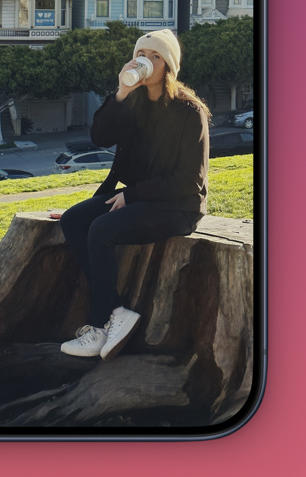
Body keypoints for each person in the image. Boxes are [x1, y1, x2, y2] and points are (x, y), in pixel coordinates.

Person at [60, 29, 209, 362]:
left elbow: (190, 180)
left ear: (168, 65)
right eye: (142, 53)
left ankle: (98, 325)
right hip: (136, 199)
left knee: (101, 229)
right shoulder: (133, 102)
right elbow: (99, 137)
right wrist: (122, 92)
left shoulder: (189, 112)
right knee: (74, 220)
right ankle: (115, 310)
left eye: (156, 56)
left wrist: (135, 194)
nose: (147, 60)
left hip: (177, 206)